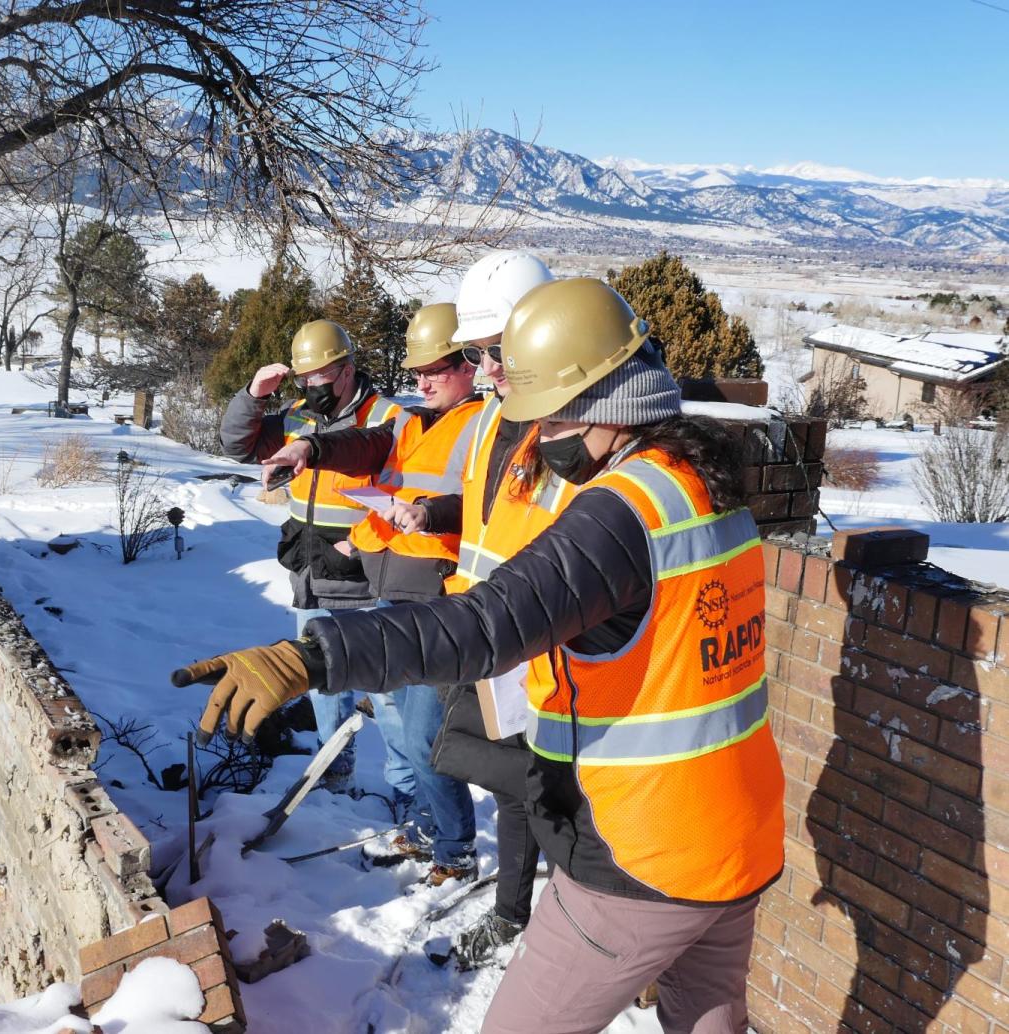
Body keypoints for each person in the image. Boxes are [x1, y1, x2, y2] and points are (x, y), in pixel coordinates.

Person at [177, 277, 785, 1034]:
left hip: (642, 852)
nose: (544, 435)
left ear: (606, 400)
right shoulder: (704, 486)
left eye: (554, 416)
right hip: (740, 831)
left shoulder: (626, 509)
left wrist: (315, 657)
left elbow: (484, 623)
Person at [259, 303, 485, 885]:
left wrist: (432, 512)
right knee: (407, 727)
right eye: (416, 372)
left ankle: (456, 846)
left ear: (470, 363)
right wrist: (312, 450)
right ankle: (434, 827)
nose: (422, 381)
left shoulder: (487, 426)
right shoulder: (411, 423)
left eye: (435, 368)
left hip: (440, 599)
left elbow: (484, 505)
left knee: (424, 733)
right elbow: (365, 446)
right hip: (392, 593)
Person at [431, 250, 556, 968]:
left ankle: (576, 930)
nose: (487, 366)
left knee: (550, 792)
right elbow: (487, 513)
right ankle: (514, 913)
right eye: (479, 352)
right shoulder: (489, 421)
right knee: (513, 790)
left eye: (499, 349)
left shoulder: (572, 430)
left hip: (543, 641)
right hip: (486, 631)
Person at [218, 320, 404, 793]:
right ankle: (333, 771)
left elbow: (406, 497)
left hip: (364, 576)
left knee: (386, 695)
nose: (311, 387)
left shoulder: (386, 416)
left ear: (346, 370)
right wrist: (253, 396)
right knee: (320, 683)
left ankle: (409, 794)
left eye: (320, 376)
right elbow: (237, 445)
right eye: (305, 378)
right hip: (309, 571)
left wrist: (357, 543)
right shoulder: (299, 415)